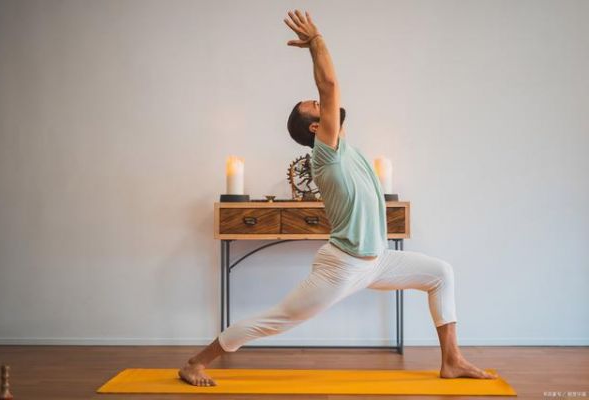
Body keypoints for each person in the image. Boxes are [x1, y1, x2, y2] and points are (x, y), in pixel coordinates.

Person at [179, 9, 498, 387]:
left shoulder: (345, 148)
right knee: (277, 319)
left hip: (377, 260)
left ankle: (452, 360)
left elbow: (328, 90)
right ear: (316, 128)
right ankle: (195, 363)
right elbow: (329, 85)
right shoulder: (325, 155)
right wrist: (316, 41)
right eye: (315, 106)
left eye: (317, 102)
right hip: (343, 267)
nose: (322, 102)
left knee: (441, 273)